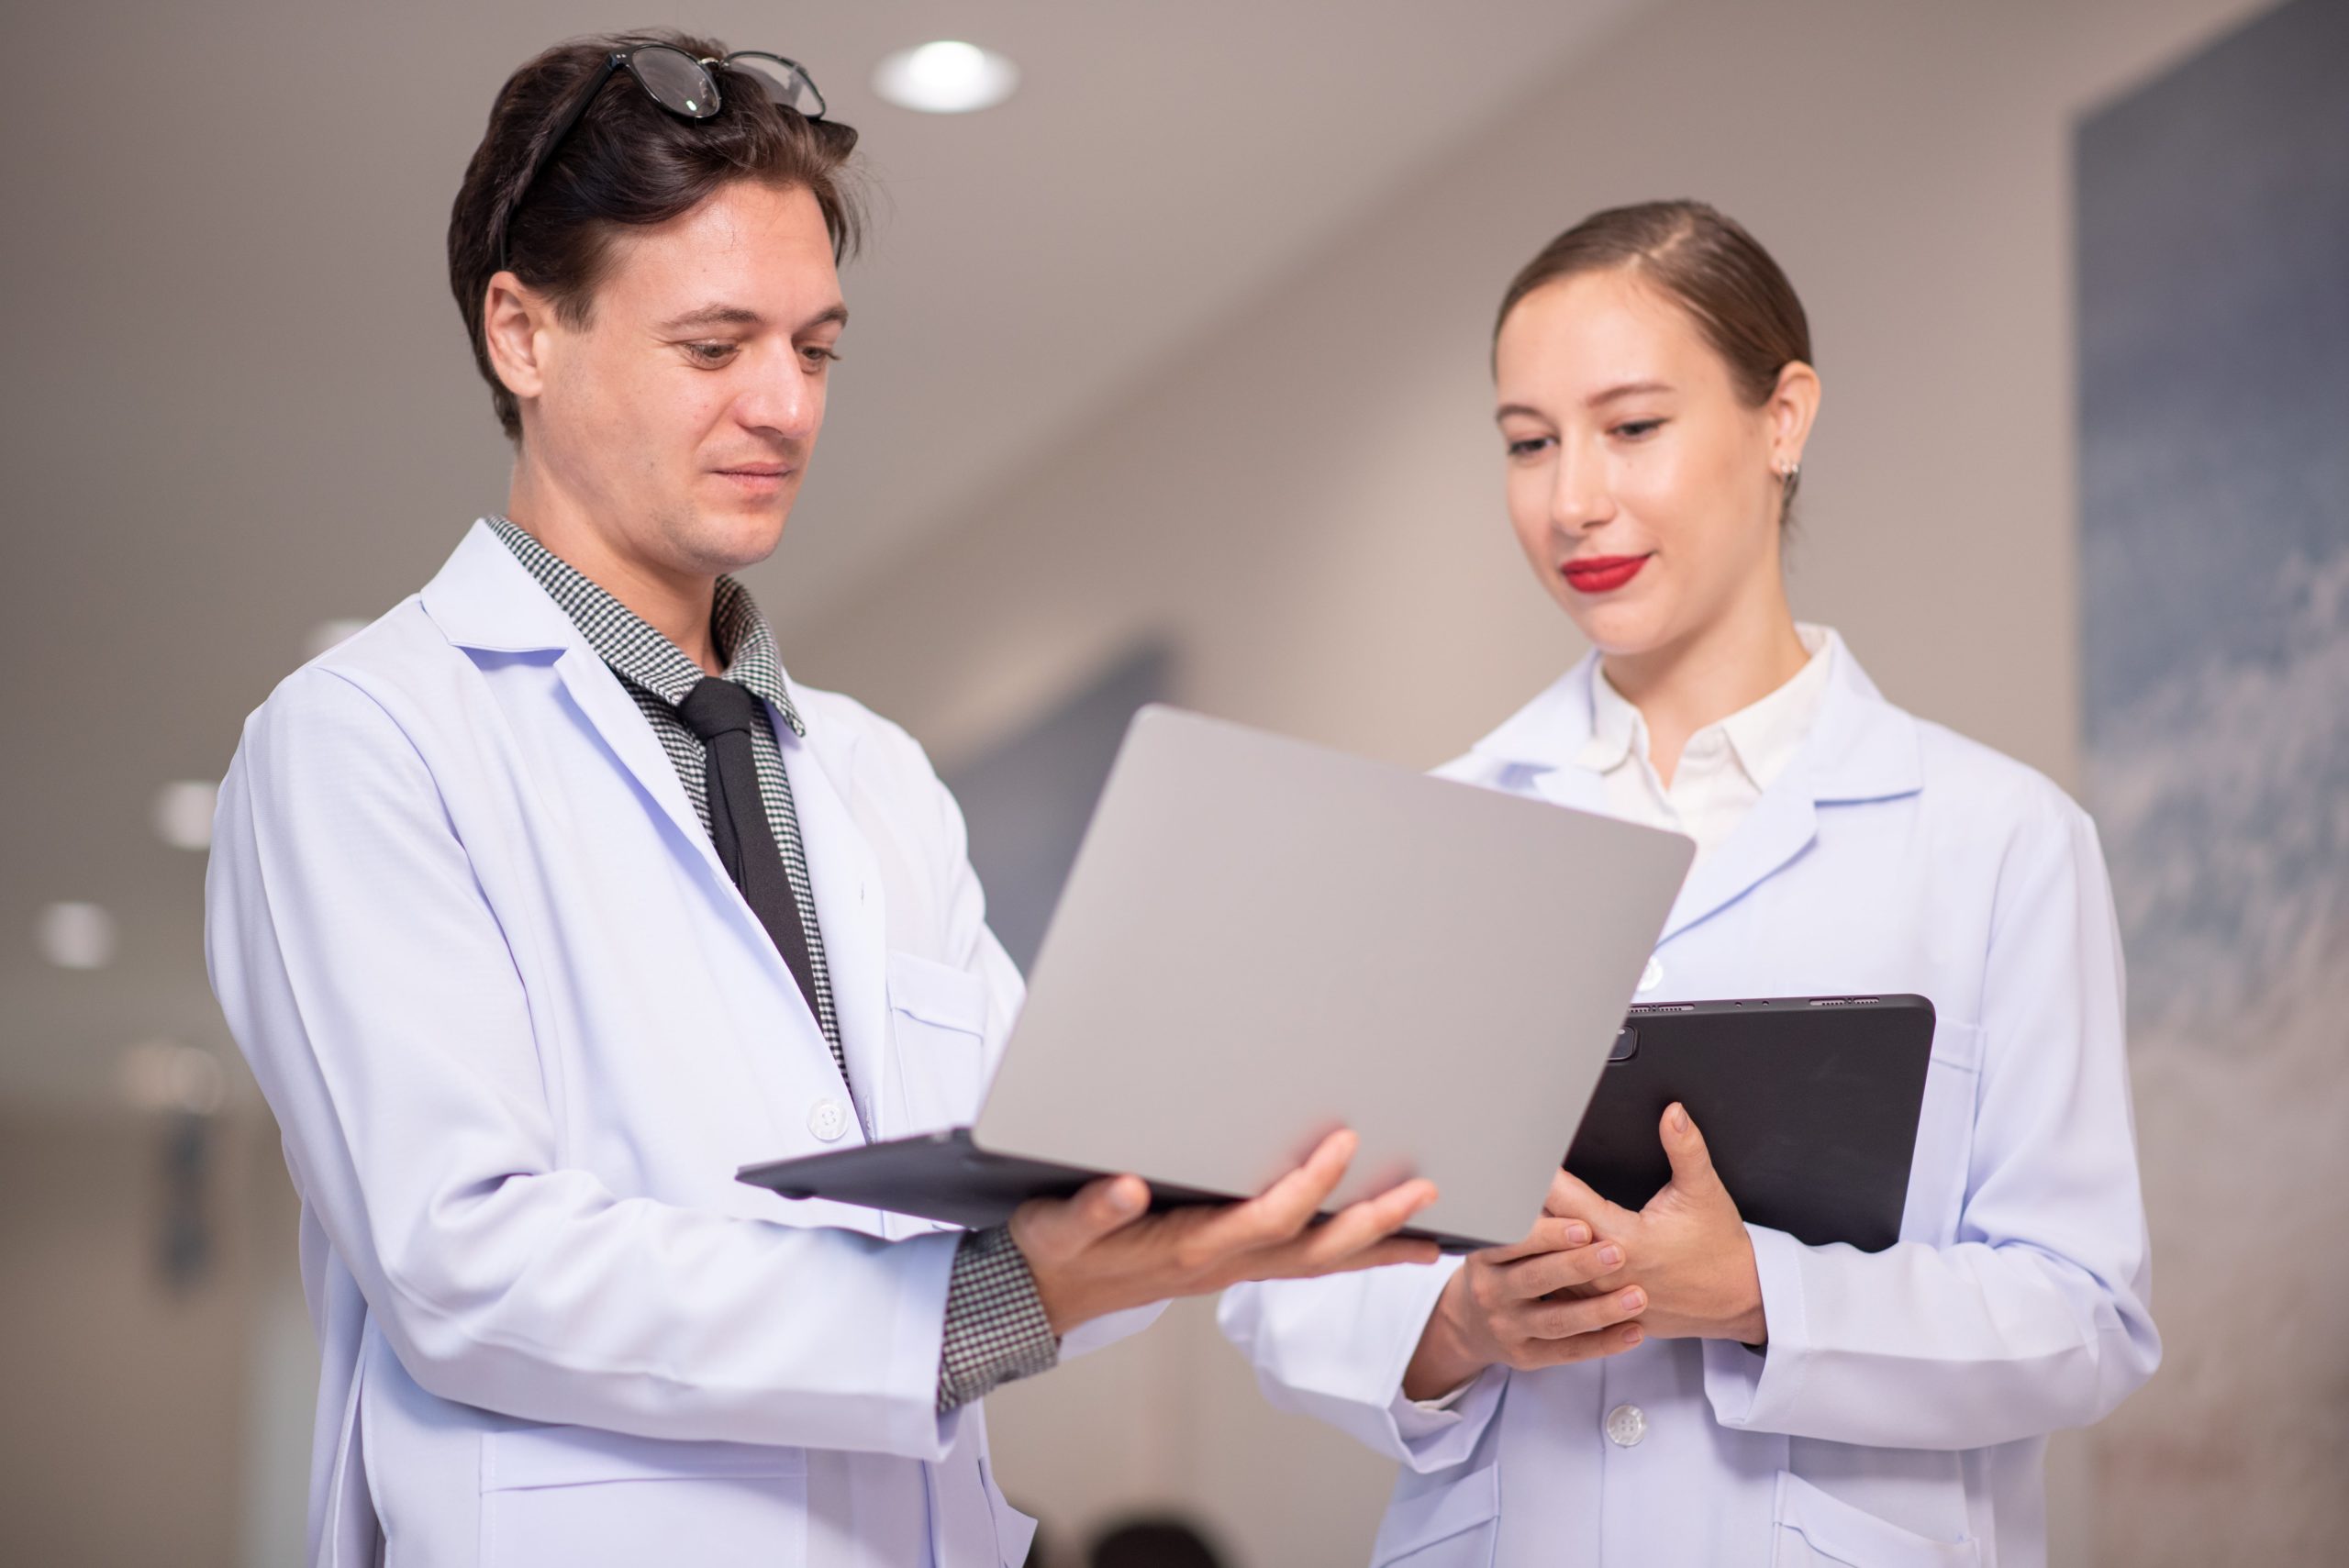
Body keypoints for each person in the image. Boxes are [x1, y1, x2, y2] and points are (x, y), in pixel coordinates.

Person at [205, 34, 1436, 1568]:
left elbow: (1061, 1176)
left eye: (817, 347)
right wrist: (995, 1297)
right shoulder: (368, 742)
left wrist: (1418, 1304)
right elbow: (464, 1262)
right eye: (716, 347)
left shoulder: (871, 780)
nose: (785, 405)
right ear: (522, 333)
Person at [1219, 200, 2159, 1566]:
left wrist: (1756, 1291)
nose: (1572, 499)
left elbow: (2084, 1314)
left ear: (1784, 418)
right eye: (1529, 444)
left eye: (1633, 427)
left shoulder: (1999, 838)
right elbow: (1275, 1278)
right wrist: (1462, 1321)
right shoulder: (1429, 835)